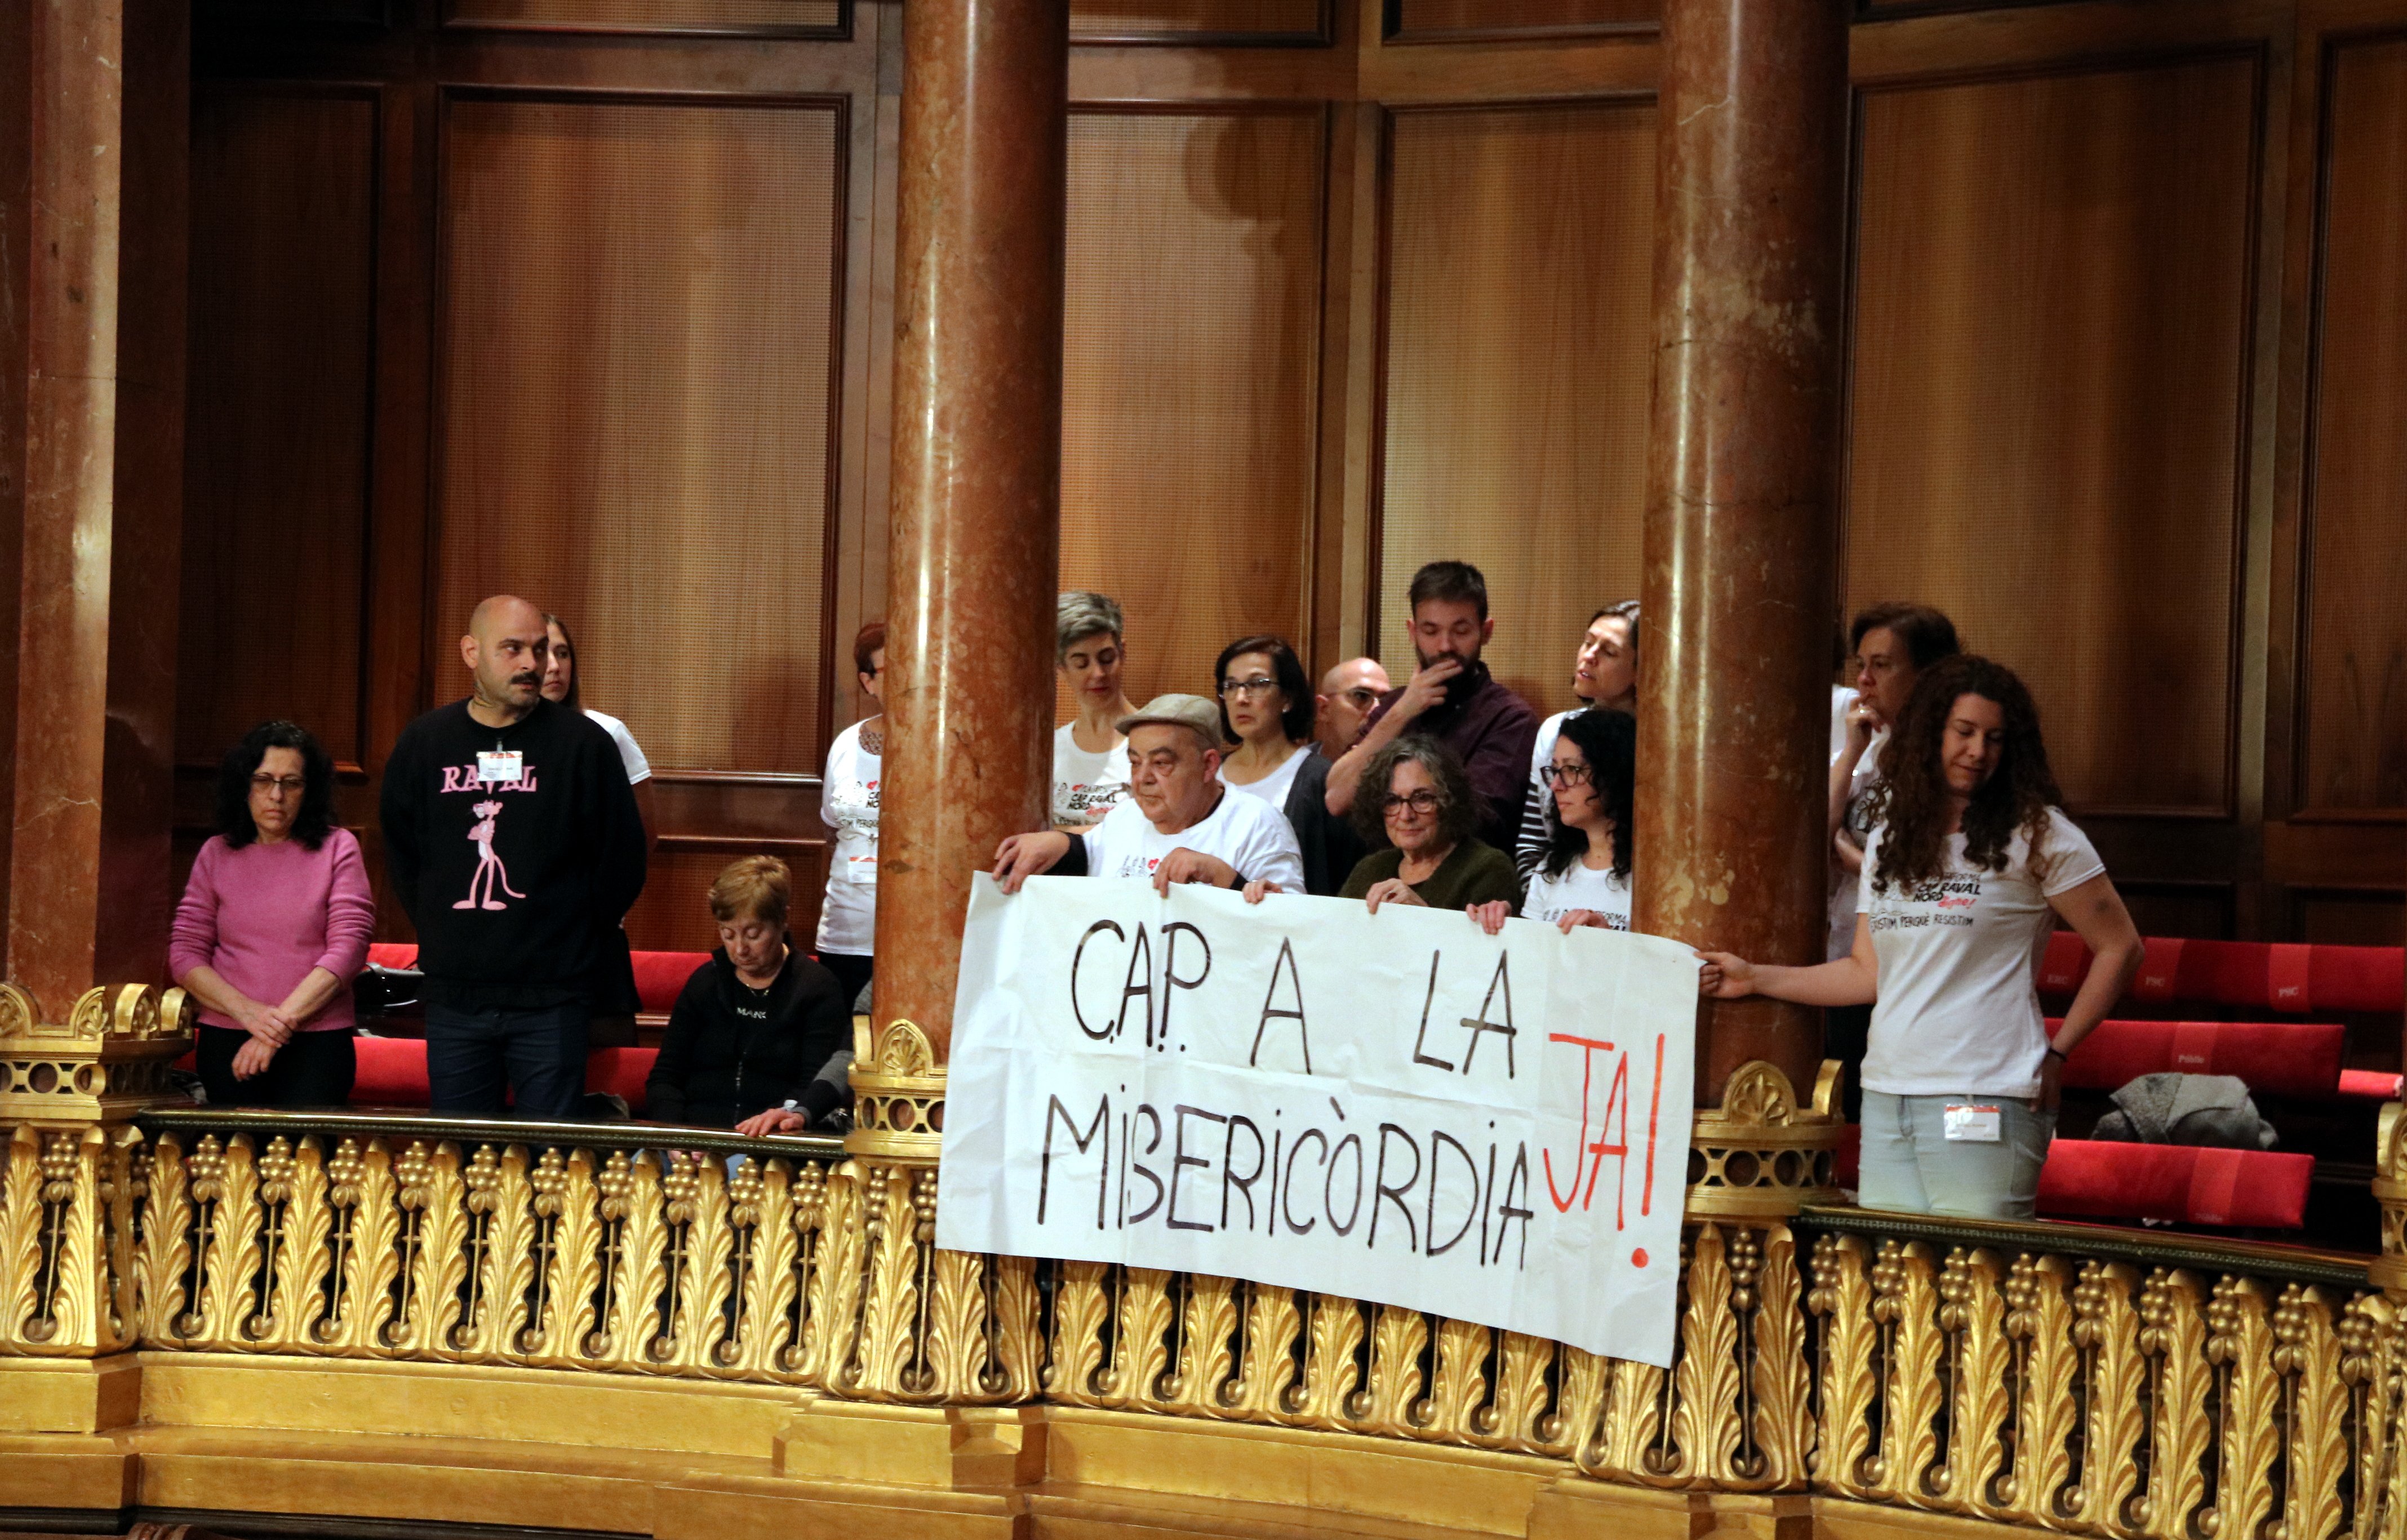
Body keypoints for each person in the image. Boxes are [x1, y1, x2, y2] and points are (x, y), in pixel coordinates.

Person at [1695, 655, 2143, 1220]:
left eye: (1995, 738)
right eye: (1964, 732)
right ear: (1931, 731)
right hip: (1888, 1093)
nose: (1979, 751)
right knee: (1892, 1289)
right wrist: (1756, 977)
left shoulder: (2039, 832)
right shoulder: (1890, 838)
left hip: (1987, 1092)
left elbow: (2121, 947)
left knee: (1972, 1289)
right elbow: (1868, 973)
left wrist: (2057, 1053)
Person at [379, 594, 648, 1119]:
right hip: (456, 996)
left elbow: (623, 859)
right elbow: (403, 854)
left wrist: (568, 935)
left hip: (553, 998)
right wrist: (446, 931)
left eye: (540, 649)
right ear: (471, 652)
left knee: (548, 1164)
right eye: (514, 649)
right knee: (459, 1165)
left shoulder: (583, 745)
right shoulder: (425, 743)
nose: (533, 664)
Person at [171, 721, 375, 1108]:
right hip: (228, 1038)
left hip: (317, 1040)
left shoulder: (338, 847)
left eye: (291, 783)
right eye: (263, 780)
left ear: (308, 790)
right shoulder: (216, 853)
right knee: (236, 1165)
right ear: (243, 785)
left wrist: (274, 1028)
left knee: (307, 1166)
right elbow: (185, 954)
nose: (276, 795)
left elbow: (349, 948)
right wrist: (250, 1015)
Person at [1824, 603, 1960, 1119]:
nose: (1864, 679)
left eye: (1882, 665)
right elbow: (1816, 836)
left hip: (1915, 956)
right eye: (1860, 664)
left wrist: (1855, 858)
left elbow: (1938, 871)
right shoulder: (1871, 744)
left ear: (1927, 673)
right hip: (1847, 948)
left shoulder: (1952, 755)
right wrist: (1853, 750)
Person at [996, 694, 1305, 896]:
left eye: (1161, 763)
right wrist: (1059, 842)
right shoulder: (1126, 817)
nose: (1142, 779)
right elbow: (1089, 852)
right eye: (1134, 762)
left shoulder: (1258, 824)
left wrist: (1224, 878)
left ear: (1209, 764)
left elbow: (1291, 931)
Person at [1327, 561, 1537, 852]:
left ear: (1486, 632)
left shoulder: (1510, 717)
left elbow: (1475, 822)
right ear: (1413, 632)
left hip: (1463, 885)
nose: (1444, 646)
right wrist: (1402, 712)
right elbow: (1337, 798)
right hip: (1379, 876)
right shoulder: (1394, 705)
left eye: (1461, 631)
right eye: (1431, 631)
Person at [646, 857, 853, 1134]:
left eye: (753, 934)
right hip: (692, 1133)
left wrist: (778, 1119)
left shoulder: (816, 988)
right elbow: (665, 1077)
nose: (740, 949)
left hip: (768, 1138)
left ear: (782, 921)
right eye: (728, 934)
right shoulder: (705, 983)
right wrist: (674, 1133)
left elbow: (814, 1086)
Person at [540, 612, 655, 1049]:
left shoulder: (606, 732)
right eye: (544, 652)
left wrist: (603, 909)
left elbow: (643, 838)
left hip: (593, 931)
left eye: (563, 652)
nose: (554, 665)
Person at [1275, 736, 1518, 930]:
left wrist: (1422, 915)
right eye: (1392, 801)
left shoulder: (1487, 869)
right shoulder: (1370, 869)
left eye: (1422, 798)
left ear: (1450, 800)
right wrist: (1277, 905)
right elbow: (1329, 937)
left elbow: (1484, 967)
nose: (1405, 815)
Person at [1216, 636, 1364, 897]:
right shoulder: (1210, 772)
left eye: (1257, 684)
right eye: (1231, 685)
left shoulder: (1319, 778)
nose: (1241, 698)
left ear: (1288, 698)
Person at [1514, 600, 1639, 880]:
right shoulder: (1555, 731)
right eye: (1588, 643)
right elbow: (1532, 842)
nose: (1589, 656)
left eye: (1608, 652)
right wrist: (1545, 903)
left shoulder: (1653, 744)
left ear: (1640, 671)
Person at [816, 622, 885, 1013]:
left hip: (918, 932)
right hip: (846, 930)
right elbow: (832, 825)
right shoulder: (846, 743)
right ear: (868, 681)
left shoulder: (945, 747)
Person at [1521, 708, 1637, 933]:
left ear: (1612, 773)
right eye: (1555, 770)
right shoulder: (1550, 870)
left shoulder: (1654, 876)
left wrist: (1608, 940)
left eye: (1572, 769)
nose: (1555, 785)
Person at [1053, 591, 1135, 828]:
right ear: (1061, 666)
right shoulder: (1050, 750)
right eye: (1081, 664)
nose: (1098, 674)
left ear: (1123, 652)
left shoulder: (1151, 743)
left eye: (1107, 659)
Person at [1312, 656, 1391, 762]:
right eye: (1362, 696)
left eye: (1384, 700)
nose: (1377, 709)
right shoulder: (1294, 769)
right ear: (1324, 709)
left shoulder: (1404, 771)